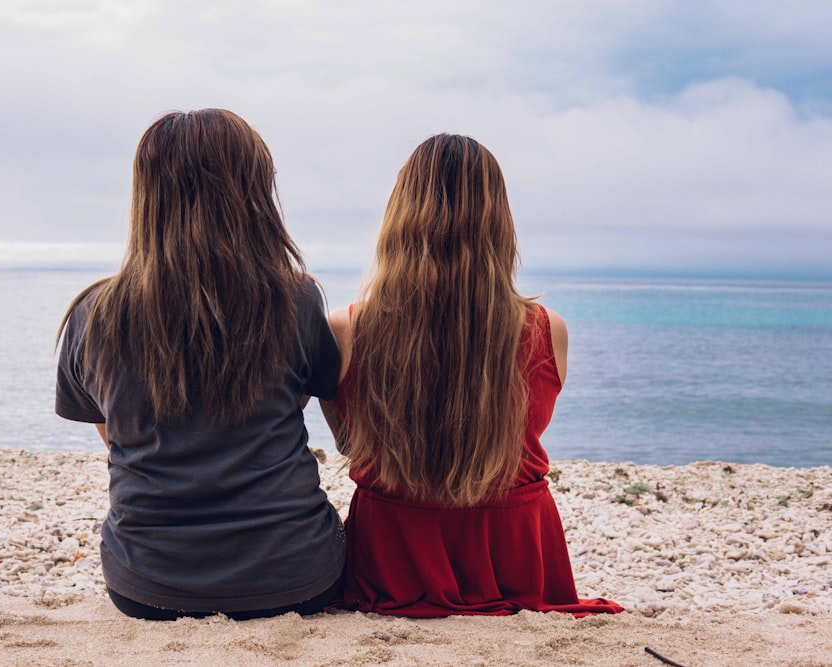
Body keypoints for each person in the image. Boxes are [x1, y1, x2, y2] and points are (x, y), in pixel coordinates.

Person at [56, 109, 345, 620]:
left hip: (146, 585)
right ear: (253, 193)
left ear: (147, 197)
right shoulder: (297, 301)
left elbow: (117, 435)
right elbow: (300, 399)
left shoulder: (92, 315)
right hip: (297, 577)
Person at [321, 134, 623, 618]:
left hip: (395, 550)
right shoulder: (549, 330)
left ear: (399, 217)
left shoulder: (345, 329)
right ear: (500, 221)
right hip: (513, 549)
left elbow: (350, 445)